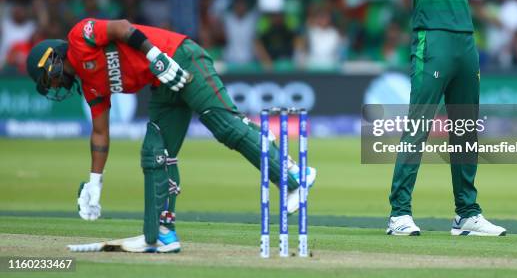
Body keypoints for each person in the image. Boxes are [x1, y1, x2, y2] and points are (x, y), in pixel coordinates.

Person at [26, 18, 316, 253]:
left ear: (52, 60)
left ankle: (293, 180)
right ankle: (163, 233)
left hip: (180, 57)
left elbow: (123, 28)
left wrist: (156, 56)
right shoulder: (90, 85)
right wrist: (94, 183)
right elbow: (100, 132)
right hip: (161, 84)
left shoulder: (79, 37)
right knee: (155, 152)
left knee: (224, 125)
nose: (52, 85)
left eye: (47, 78)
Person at [387, 0, 514, 237]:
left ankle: (467, 215)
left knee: (464, 130)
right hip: (433, 40)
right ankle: (399, 214)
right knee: (418, 127)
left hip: (465, 44)